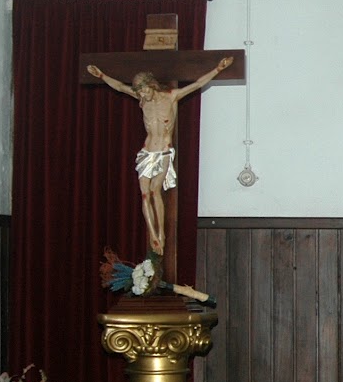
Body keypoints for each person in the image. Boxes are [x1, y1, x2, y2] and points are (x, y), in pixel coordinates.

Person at [86, 56, 233, 256]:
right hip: (147, 151)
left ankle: (161, 234)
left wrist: (218, 69)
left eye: (145, 91)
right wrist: (102, 75)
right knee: (144, 194)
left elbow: (198, 84)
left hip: (163, 150)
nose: (142, 95)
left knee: (155, 190)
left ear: (152, 86)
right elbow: (120, 87)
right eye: (139, 92)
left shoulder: (171, 97)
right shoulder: (142, 99)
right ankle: (153, 234)